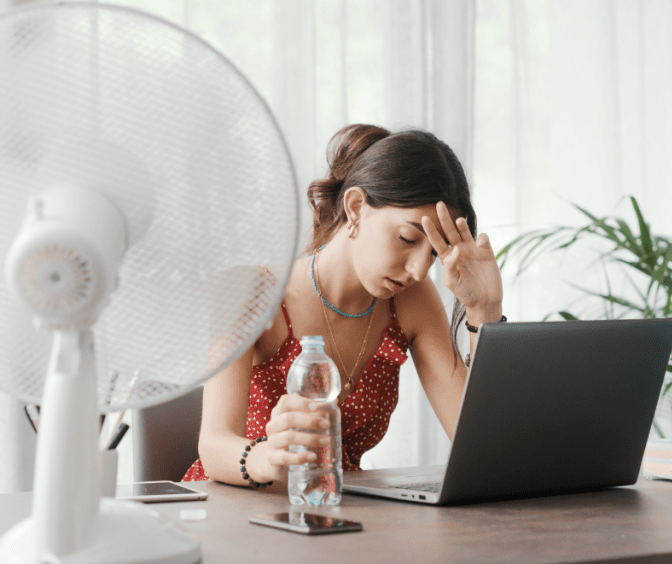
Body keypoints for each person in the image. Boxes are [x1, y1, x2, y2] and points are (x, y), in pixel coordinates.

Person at [182, 123, 504, 486]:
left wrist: (484, 312)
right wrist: (270, 458)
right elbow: (213, 446)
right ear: (355, 207)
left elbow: (476, 443)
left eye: (433, 252)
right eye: (406, 238)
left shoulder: (411, 299)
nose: (418, 269)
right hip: (241, 508)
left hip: (338, 512)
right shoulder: (251, 290)